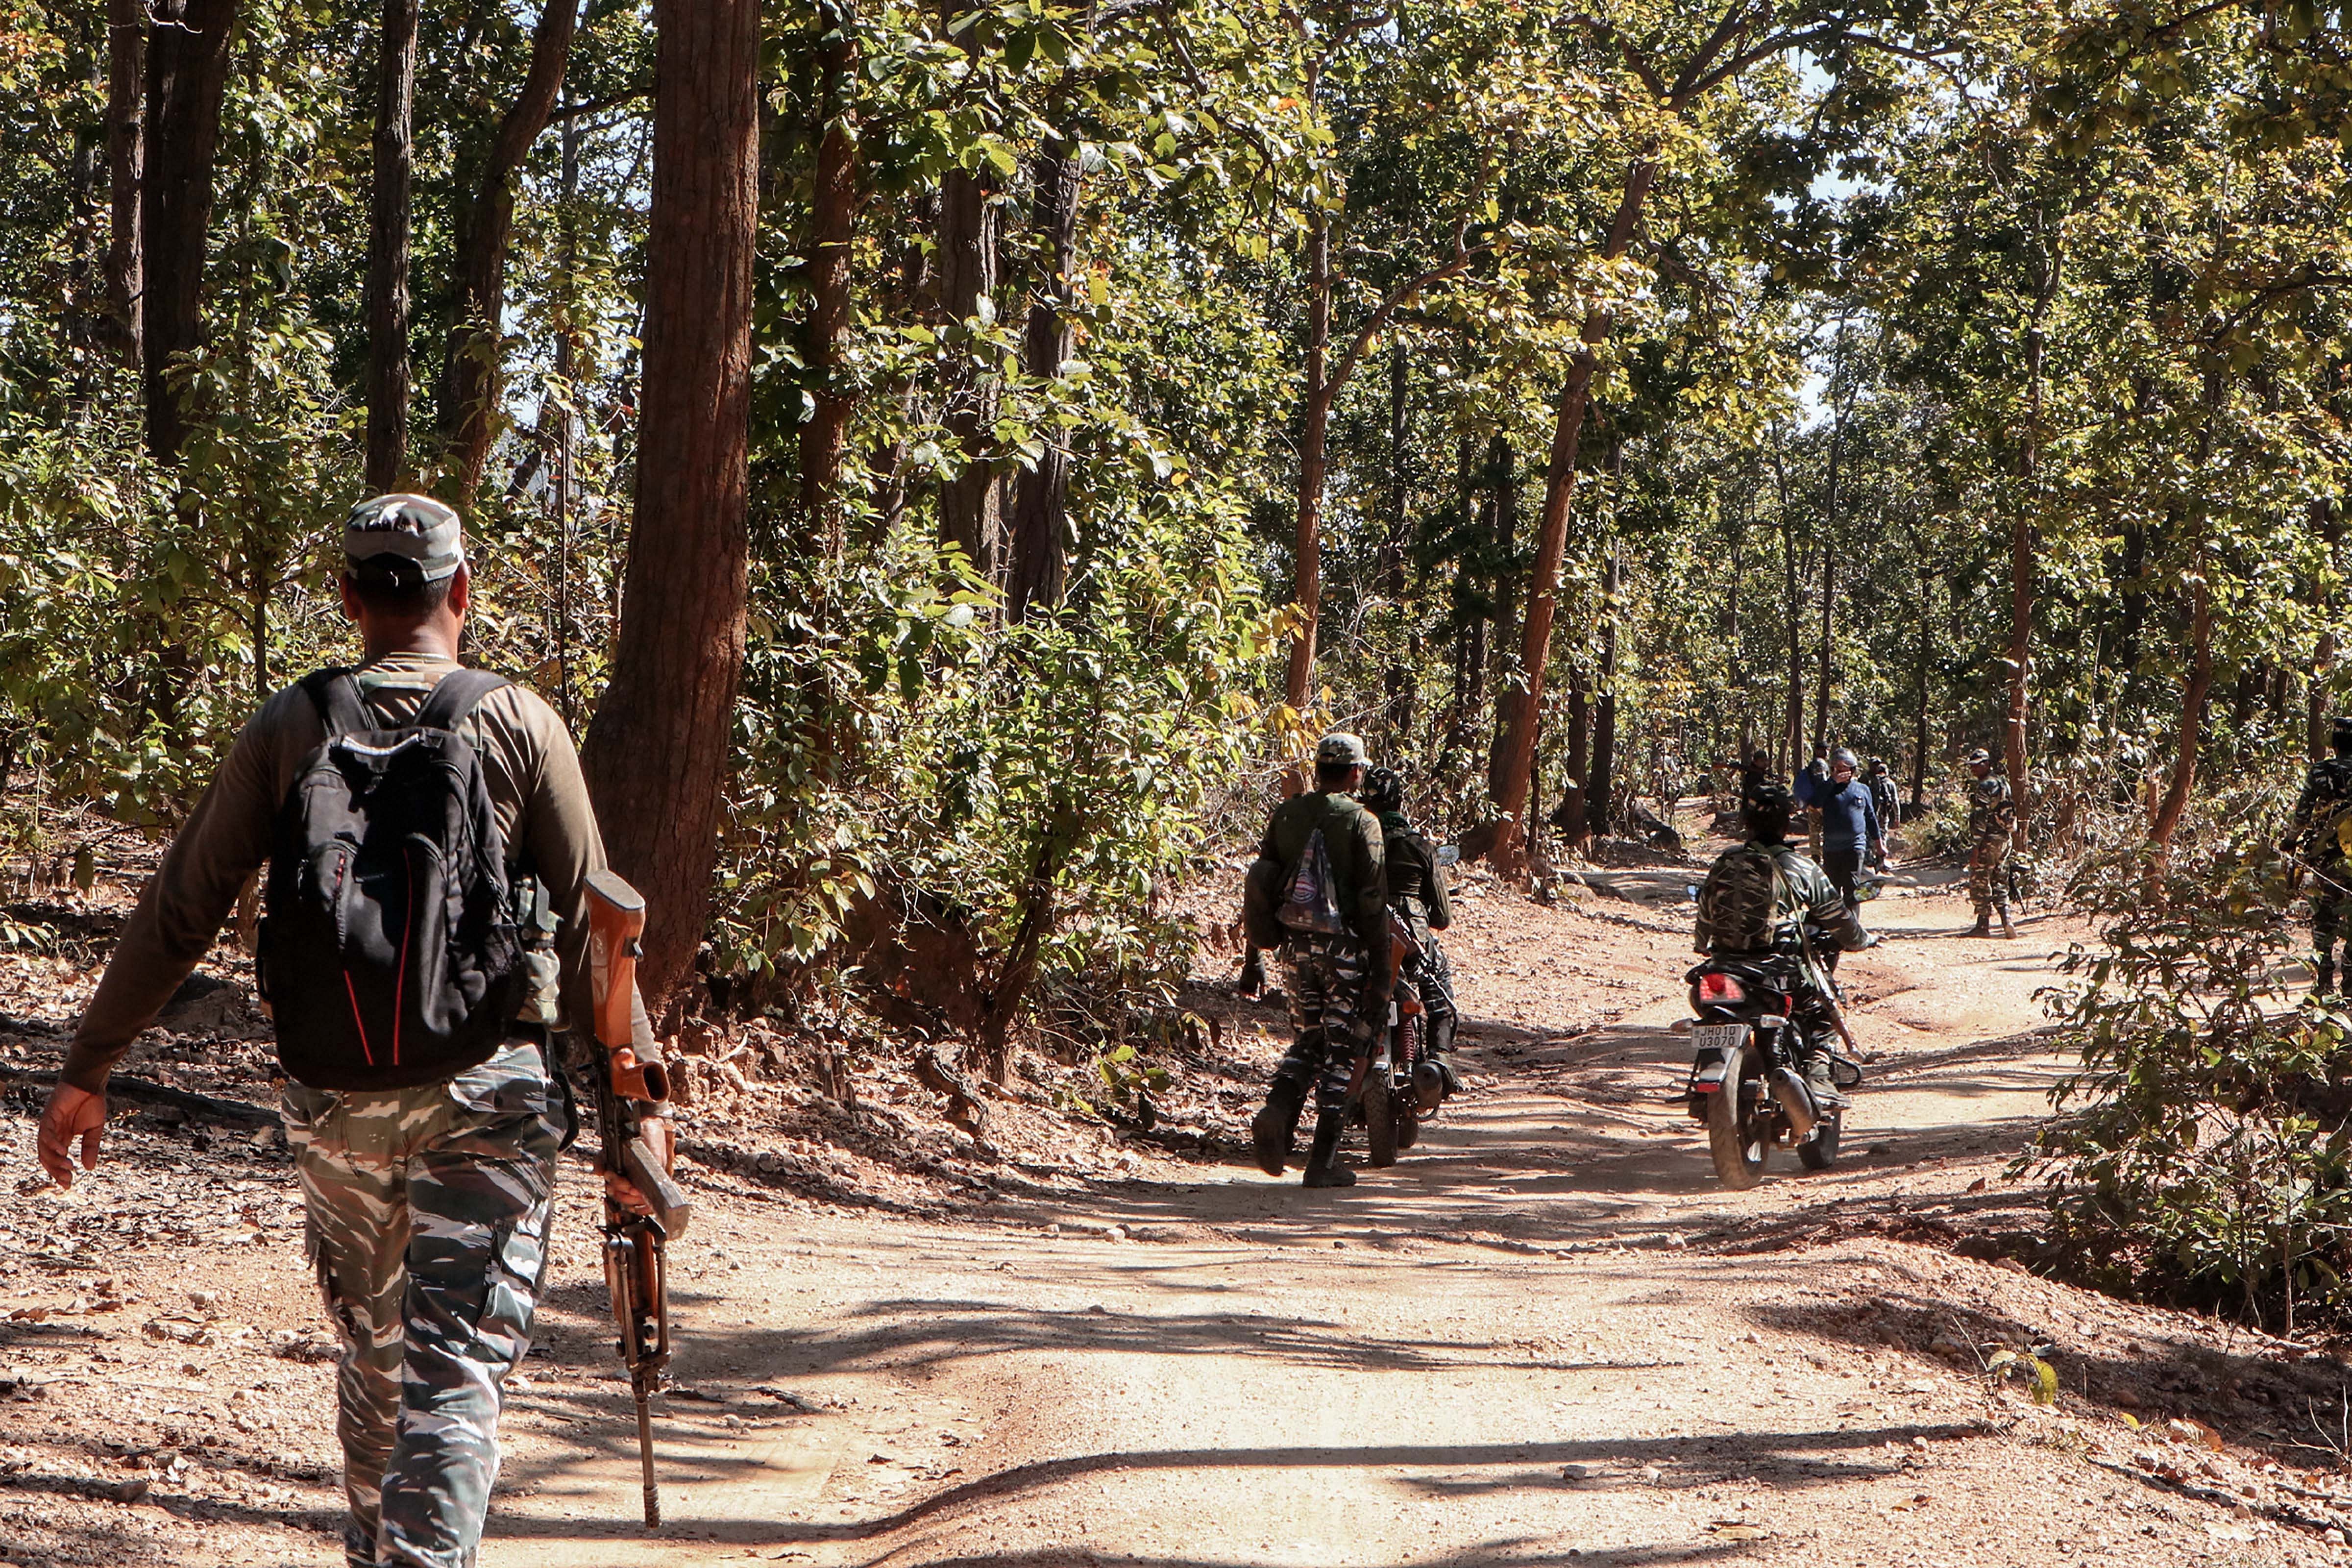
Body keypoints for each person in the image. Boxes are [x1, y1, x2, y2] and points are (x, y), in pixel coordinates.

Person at [34, 495, 648, 1568]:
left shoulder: (291, 725)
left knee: (375, 1358)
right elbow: (602, 929)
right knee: (453, 1367)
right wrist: (632, 1123)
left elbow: (180, 907)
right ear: (463, 591)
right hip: (488, 1095)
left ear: (352, 598)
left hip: (338, 1097)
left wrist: (89, 1069)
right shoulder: (518, 722)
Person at [1245, 733, 1388, 1188]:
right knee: (1342, 1048)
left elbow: (1263, 884)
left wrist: (1256, 956)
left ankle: (1278, 1109)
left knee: (1308, 1041)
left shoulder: (1287, 814)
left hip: (1293, 949)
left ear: (1317, 770)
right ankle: (1322, 1162)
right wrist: (1381, 969)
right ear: (1354, 773)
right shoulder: (1362, 822)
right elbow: (1372, 900)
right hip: (1344, 950)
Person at [1693, 783, 1868, 1108]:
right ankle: (1818, 1076)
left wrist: (1704, 945)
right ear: (1787, 824)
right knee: (1822, 1008)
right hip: (1778, 972)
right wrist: (1862, 940)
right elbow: (1839, 919)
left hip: (1723, 971)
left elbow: (1706, 913)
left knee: (1708, 1010)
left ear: (1746, 823)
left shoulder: (1724, 863)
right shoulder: (1802, 867)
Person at [1359, 766, 1460, 1110]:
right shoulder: (1419, 846)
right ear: (1400, 800)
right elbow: (1442, 918)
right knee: (1439, 988)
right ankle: (1440, 1059)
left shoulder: (1353, 842)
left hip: (1359, 940)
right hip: (1412, 942)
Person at [2283, 717, 2352, 993]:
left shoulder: (2320, 772)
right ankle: (2350, 981)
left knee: (2325, 915)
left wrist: (2290, 841)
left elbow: (2303, 814)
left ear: (2335, 743)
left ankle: (2324, 980)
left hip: (2327, 856)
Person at [1815, 748, 1884, 920]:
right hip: (1831, 848)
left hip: (1855, 847)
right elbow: (1814, 802)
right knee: (1832, 889)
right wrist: (1832, 782)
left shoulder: (1862, 790)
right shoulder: (1826, 789)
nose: (1839, 772)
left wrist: (1879, 844)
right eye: (1836, 769)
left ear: (1853, 770)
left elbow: (1871, 818)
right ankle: (1834, 927)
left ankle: (1853, 927)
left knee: (1852, 888)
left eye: (1844, 769)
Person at [1962, 747, 2016, 939]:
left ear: (1987, 764)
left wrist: (1975, 848)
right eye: (1972, 766)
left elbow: (1981, 819)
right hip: (2005, 839)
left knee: (1980, 880)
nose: (1974, 770)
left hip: (1989, 840)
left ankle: (1983, 926)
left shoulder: (1985, 787)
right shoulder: (2003, 783)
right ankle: (2007, 921)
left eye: (1977, 765)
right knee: (2000, 879)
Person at [1867, 758, 1901, 830]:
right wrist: (1897, 817)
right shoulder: (1890, 783)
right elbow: (1895, 801)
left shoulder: (1869, 780)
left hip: (1869, 814)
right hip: (1883, 814)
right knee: (1882, 835)